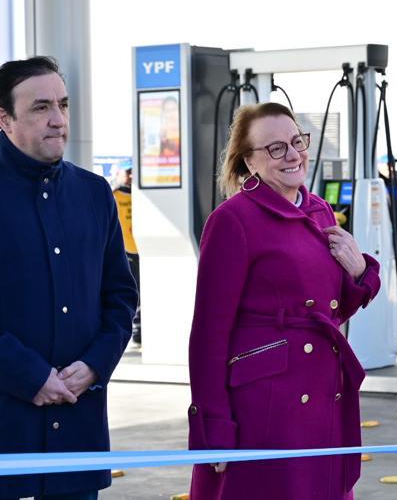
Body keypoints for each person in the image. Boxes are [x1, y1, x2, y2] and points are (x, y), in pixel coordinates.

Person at [188, 102, 381, 500]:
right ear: (249, 161)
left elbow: (327, 309)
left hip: (324, 392)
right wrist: (214, 425)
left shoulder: (319, 209)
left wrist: (360, 271)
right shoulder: (232, 219)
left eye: (297, 142)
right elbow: (208, 334)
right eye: (276, 148)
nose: (293, 155)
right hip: (265, 404)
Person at [0, 56, 138, 500]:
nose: (58, 119)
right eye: (41, 107)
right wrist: (29, 376)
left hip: (79, 430)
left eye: (62, 104)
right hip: (9, 428)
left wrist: (96, 363)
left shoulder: (94, 193)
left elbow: (120, 296)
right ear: (4, 119)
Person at [112, 160, 142, 345]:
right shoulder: (113, 195)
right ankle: (135, 327)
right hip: (125, 250)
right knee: (131, 289)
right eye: (127, 172)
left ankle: (140, 328)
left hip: (143, 249)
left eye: (133, 172)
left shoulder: (141, 195)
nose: (130, 176)